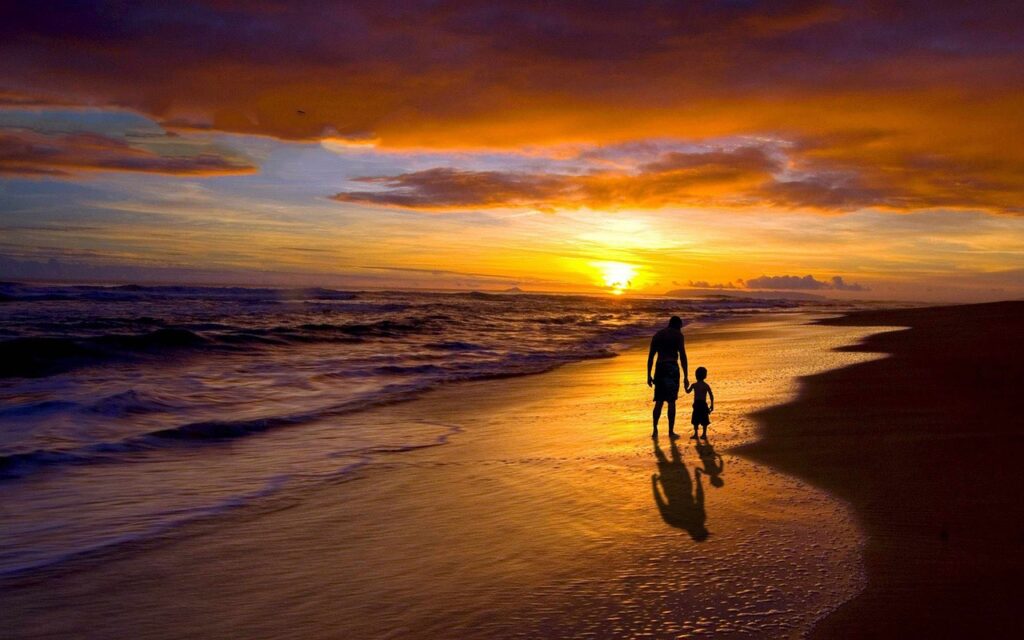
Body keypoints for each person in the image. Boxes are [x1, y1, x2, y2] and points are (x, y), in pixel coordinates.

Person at [647, 315, 689, 439]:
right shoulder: (678, 335)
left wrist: (648, 375)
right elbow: (683, 356)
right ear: (678, 325)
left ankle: (655, 429)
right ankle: (671, 431)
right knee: (671, 401)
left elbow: (651, 357)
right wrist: (686, 376)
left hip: (660, 367)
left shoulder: (657, 335)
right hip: (672, 368)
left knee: (659, 401)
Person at [685, 366, 714, 440]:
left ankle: (696, 434)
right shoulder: (706, 385)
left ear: (696, 375)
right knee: (704, 420)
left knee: (695, 419)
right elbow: (711, 395)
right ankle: (704, 434)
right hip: (703, 404)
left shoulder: (694, 385)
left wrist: (685, 386)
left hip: (697, 404)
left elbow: (687, 391)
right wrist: (712, 405)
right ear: (705, 376)